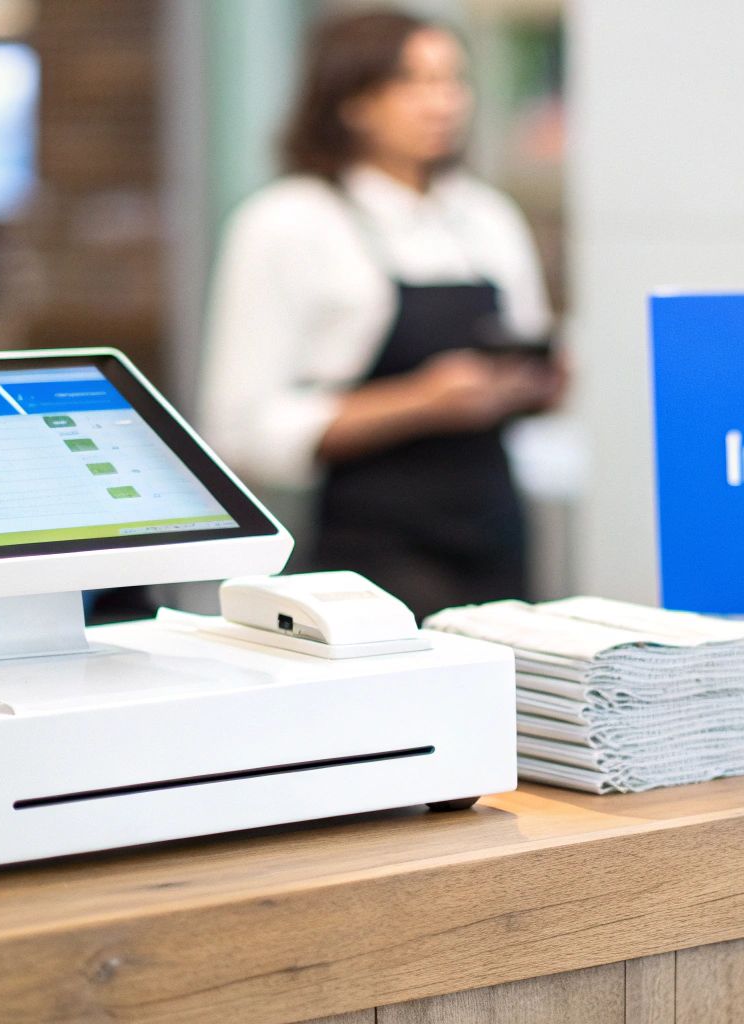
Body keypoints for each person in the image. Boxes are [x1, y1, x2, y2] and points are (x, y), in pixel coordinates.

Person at [199, 8, 564, 620]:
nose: (442, 102)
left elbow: (529, 352)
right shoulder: (286, 224)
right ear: (351, 102)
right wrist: (421, 402)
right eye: (413, 83)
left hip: (496, 539)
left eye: (452, 80)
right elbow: (240, 433)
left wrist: (539, 384)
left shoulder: (487, 217)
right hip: (370, 555)